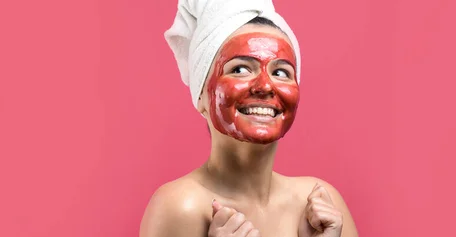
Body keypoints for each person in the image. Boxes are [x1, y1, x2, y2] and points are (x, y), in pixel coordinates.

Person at [139, 0, 358, 237]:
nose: (265, 85)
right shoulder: (182, 207)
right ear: (201, 94)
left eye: (281, 72)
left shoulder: (322, 203)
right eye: (240, 69)